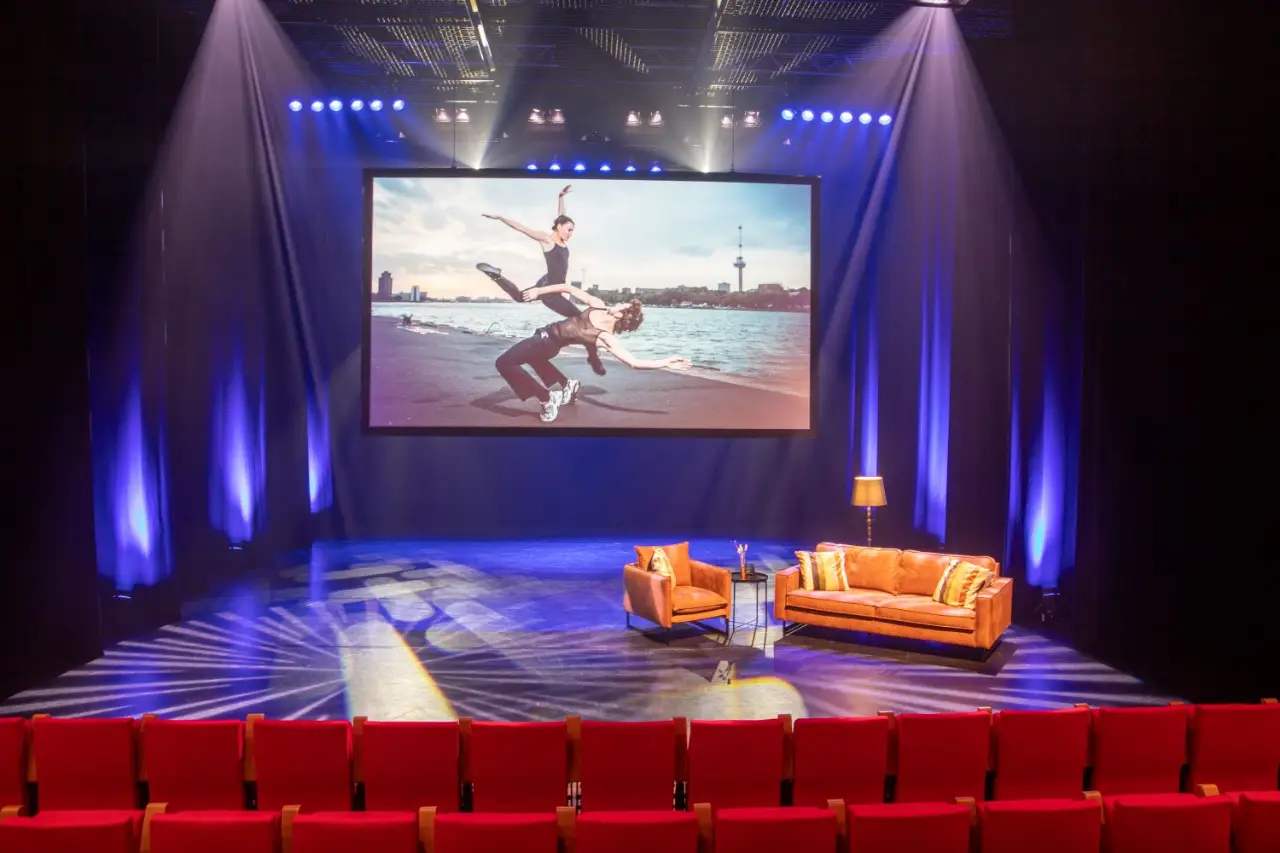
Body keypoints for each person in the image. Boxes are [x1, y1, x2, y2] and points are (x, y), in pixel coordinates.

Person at [494, 284, 691, 423]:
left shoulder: (606, 337)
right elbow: (568, 288)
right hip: (542, 335)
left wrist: (665, 362)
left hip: (546, 343)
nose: (619, 304)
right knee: (533, 360)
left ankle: (546, 398)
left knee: (504, 363)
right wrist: (539, 291)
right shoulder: (597, 305)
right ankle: (567, 385)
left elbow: (634, 362)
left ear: (622, 315)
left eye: (623, 305)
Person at [476, 185, 608, 376]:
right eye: (569, 230)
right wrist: (500, 217)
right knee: (581, 319)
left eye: (572, 231)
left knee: (520, 297)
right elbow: (522, 228)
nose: (571, 233)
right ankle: (593, 357)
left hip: (546, 282)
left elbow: (561, 215)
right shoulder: (547, 240)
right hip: (550, 292)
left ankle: (497, 275)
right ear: (559, 227)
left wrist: (561, 197)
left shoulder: (561, 238)